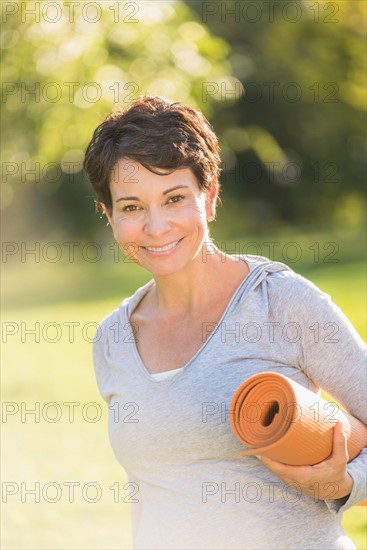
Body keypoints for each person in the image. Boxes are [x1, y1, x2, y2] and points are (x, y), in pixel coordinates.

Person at [83, 95, 366, 550]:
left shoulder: (280, 302)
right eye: (132, 207)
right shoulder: (112, 340)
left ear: (209, 197)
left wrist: (345, 484)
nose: (156, 227)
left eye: (174, 198)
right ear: (109, 214)